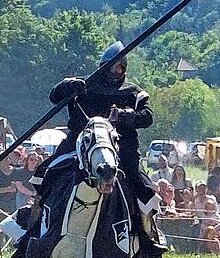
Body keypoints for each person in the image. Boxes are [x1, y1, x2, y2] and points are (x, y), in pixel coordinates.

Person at [37, 41, 159, 234]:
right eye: (111, 66)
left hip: (120, 146)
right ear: (102, 65)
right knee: (47, 171)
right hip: (80, 143)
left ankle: (147, 233)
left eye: (119, 66)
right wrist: (67, 85)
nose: (114, 70)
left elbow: (148, 117)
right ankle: (36, 221)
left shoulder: (133, 92)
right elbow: (54, 96)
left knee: (142, 184)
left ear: (124, 68)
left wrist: (125, 115)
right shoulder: (84, 85)